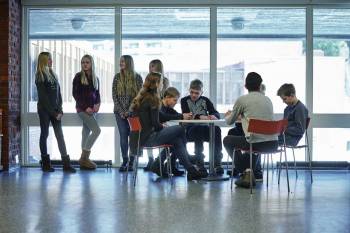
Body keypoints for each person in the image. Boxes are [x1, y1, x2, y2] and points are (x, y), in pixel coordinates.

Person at [130, 72, 202, 181]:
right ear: (157, 84)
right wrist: (165, 128)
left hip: (141, 138)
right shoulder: (152, 99)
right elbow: (156, 124)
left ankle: (191, 171)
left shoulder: (143, 97)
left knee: (176, 139)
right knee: (180, 128)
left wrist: (167, 126)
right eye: (162, 82)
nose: (163, 85)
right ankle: (187, 159)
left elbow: (161, 116)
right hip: (148, 138)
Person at [223, 72, 278, 188]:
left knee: (228, 140)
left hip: (256, 143)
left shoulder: (242, 100)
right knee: (250, 138)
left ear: (245, 86)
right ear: (260, 86)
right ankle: (250, 172)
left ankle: (246, 172)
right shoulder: (268, 100)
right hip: (273, 143)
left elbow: (229, 122)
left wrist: (227, 115)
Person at [35, 51, 75, 173]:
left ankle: (66, 165)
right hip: (45, 111)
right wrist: (54, 113)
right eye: (49, 59)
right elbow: (43, 98)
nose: (51, 61)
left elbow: (58, 95)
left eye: (51, 59)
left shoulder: (53, 74)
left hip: (56, 111)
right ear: (43, 61)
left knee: (60, 136)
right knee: (44, 134)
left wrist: (60, 110)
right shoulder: (40, 75)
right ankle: (46, 164)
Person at [180, 79, 223, 176]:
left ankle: (217, 163)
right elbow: (187, 115)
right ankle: (200, 163)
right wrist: (200, 116)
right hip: (190, 130)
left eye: (197, 93)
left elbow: (215, 113)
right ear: (189, 90)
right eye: (192, 92)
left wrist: (214, 116)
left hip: (205, 129)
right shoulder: (184, 101)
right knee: (198, 129)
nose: (194, 95)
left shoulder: (206, 100)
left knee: (216, 130)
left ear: (201, 92)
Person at [151, 87, 193, 177]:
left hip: (161, 133)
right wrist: (181, 116)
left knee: (176, 139)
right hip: (155, 134)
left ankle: (160, 164)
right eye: (174, 100)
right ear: (167, 97)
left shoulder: (168, 108)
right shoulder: (159, 106)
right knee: (177, 136)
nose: (175, 103)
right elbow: (164, 116)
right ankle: (182, 159)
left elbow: (175, 115)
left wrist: (183, 116)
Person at [112, 55, 143, 172]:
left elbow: (139, 96)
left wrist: (129, 111)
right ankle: (124, 160)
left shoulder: (138, 78)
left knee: (134, 137)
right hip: (119, 113)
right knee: (123, 136)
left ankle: (132, 160)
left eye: (123, 61)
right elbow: (114, 96)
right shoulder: (117, 77)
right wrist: (121, 111)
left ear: (129, 63)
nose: (120, 63)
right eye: (120, 61)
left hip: (134, 113)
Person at [73, 54, 101, 170]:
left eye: (87, 62)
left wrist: (98, 104)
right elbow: (76, 95)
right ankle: (84, 158)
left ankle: (83, 162)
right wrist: (86, 108)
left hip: (92, 110)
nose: (85, 64)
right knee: (96, 130)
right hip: (82, 109)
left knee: (85, 132)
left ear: (91, 64)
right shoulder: (78, 77)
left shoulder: (95, 78)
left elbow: (97, 94)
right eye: (83, 62)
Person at [143, 59, 170, 171]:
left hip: (162, 110)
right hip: (151, 111)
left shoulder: (165, 81)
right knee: (149, 131)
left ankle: (159, 161)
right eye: (149, 66)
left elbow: (166, 96)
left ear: (158, 67)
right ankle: (151, 160)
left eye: (153, 66)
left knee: (163, 134)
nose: (150, 68)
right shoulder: (148, 80)